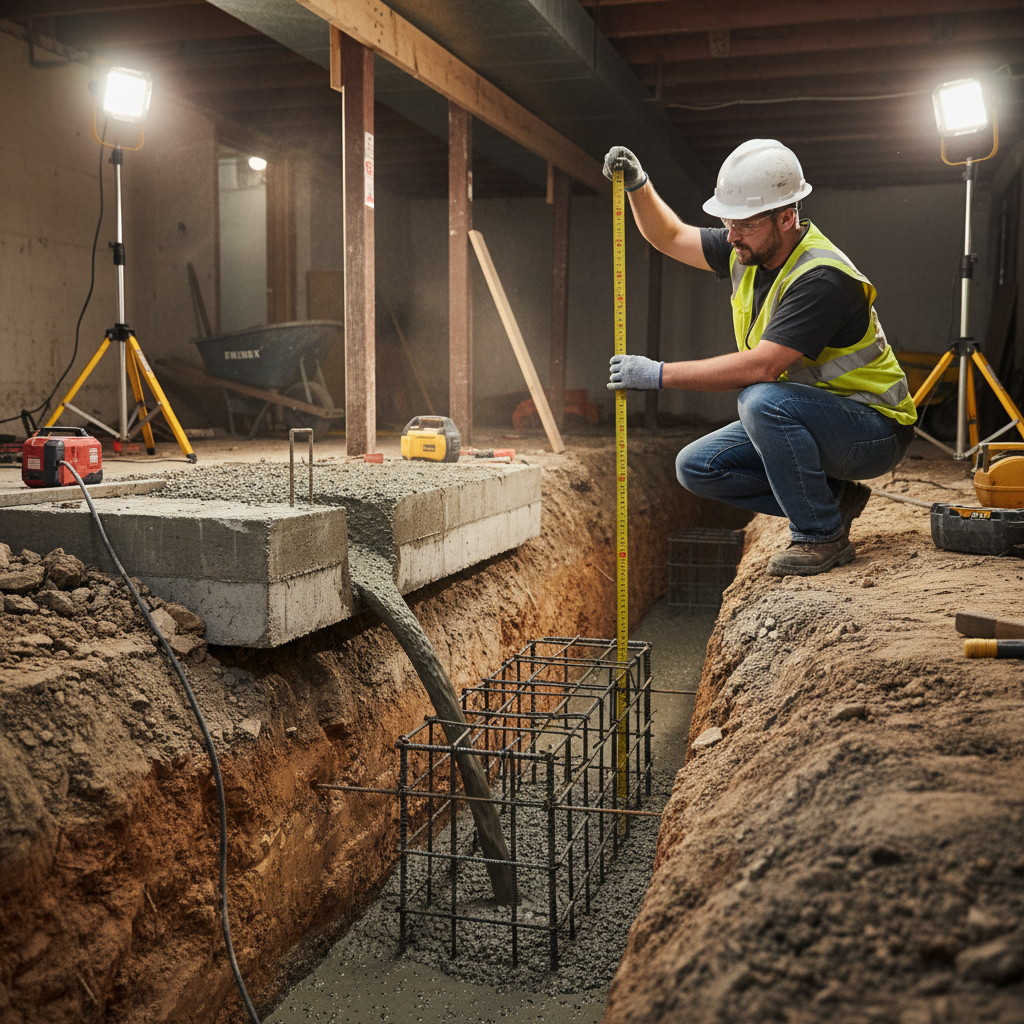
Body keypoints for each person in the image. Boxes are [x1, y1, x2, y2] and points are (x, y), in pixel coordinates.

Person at [603, 140, 917, 576]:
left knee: (760, 399)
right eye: (728, 223)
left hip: (873, 431)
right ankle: (834, 500)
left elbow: (762, 367)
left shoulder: (822, 277)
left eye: (743, 225)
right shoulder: (748, 250)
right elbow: (671, 236)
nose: (731, 236)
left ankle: (820, 535)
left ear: (786, 217)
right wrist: (639, 186)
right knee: (695, 466)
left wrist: (658, 374)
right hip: (817, 418)